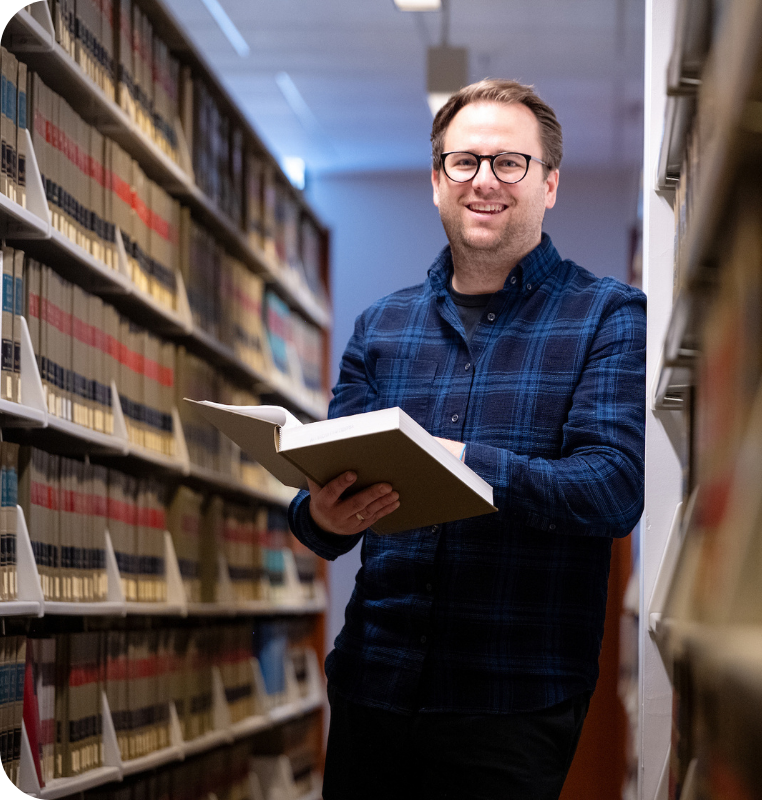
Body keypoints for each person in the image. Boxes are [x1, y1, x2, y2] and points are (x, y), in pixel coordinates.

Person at [288, 79, 646, 799]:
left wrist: (462, 464)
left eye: (509, 163)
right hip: (372, 688)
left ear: (550, 185)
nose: (484, 181)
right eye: (464, 162)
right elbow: (318, 510)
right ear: (436, 182)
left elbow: (612, 489)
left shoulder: (608, 315)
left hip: (513, 697)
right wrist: (319, 516)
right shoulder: (379, 327)